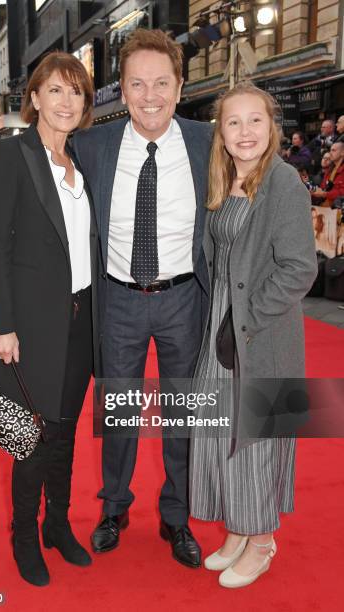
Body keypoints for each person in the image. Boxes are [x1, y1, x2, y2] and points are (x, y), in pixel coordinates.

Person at [73, 28, 212, 568]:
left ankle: (176, 517)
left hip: (185, 298)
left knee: (184, 416)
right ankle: (114, 508)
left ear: (179, 86)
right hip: (119, 300)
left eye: (161, 83)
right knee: (118, 413)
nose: (149, 95)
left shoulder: (207, 141)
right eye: (137, 83)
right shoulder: (92, 146)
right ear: (122, 90)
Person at [0, 51, 100, 586]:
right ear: (34, 98)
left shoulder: (81, 162)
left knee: (65, 431)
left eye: (76, 91)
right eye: (56, 89)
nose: (66, 101)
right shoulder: (11, 155)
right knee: (28, 436)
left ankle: (58, 525)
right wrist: (2, 324)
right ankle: (24, 536)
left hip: (80, 320)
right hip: (26, 325)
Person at [189, 81, 317, 588]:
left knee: (256, 439)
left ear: (273, 128)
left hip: (258, 329)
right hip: (219, 323)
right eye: (233, 122)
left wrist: (242, 319)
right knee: (222, 431)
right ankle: (240, 529)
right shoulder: (222, 179)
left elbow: (298, 270)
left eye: (255, 121)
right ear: (220, 132)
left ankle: (262, 539)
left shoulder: (283, 183)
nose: (245, 132)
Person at [311, 141, 344, 207]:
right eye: (330, 150)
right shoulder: (329, 170)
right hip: (326, 206)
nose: (330, 153)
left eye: (333, 150)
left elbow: (342, 193)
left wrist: (325, 194)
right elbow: (323, 188)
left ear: (342, 153)